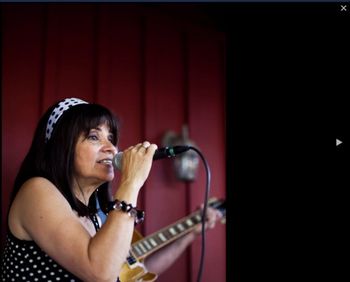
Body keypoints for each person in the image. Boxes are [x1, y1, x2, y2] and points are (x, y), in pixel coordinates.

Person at [1, 97, 222, 282]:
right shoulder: (37, 191)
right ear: (61, 146)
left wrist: (189, 233)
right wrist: (132, 182)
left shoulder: (99, 215)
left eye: (111, 138)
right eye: (94, 137)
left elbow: (131, 270)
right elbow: (100, 272)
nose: (111, 148)